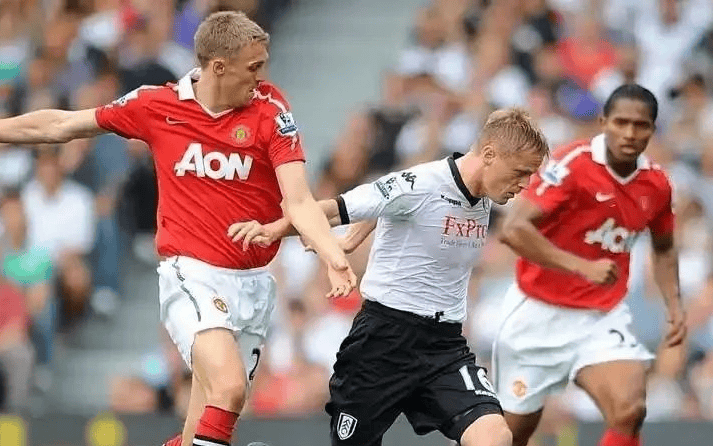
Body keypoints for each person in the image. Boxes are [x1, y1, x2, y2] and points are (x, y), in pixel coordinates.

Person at [0, 11, 356, 446]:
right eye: (253, 66)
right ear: (219, 67)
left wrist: (332, 254)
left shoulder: (271, 109)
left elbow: (298, 200)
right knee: (229, 388)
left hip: (254, 284)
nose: (261, 77)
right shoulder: (157, 105)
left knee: (208, 422)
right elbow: (63, 125)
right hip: (192, 275)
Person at [229, 108, 550, 446]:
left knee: (494, 436)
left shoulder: (484, 194)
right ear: (489, 154)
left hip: (444, 346)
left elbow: (394, 207)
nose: (524, 185)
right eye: (520, 172)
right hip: (383, 341)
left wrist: (356, 236)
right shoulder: (422, 183)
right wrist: (275, 229)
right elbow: (337, 208)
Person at [494, 84, 687, 446]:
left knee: (629, 409)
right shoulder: (572, 165)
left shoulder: (657, 184)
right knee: (510, 435)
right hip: (537, 313)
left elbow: (664, 248)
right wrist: (581, 267)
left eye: (641, 125)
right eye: (621, 122)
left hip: (600, 316)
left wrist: (674, 305)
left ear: (652, 129)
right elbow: (513, 229)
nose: (629, 133)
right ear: (603, 122)